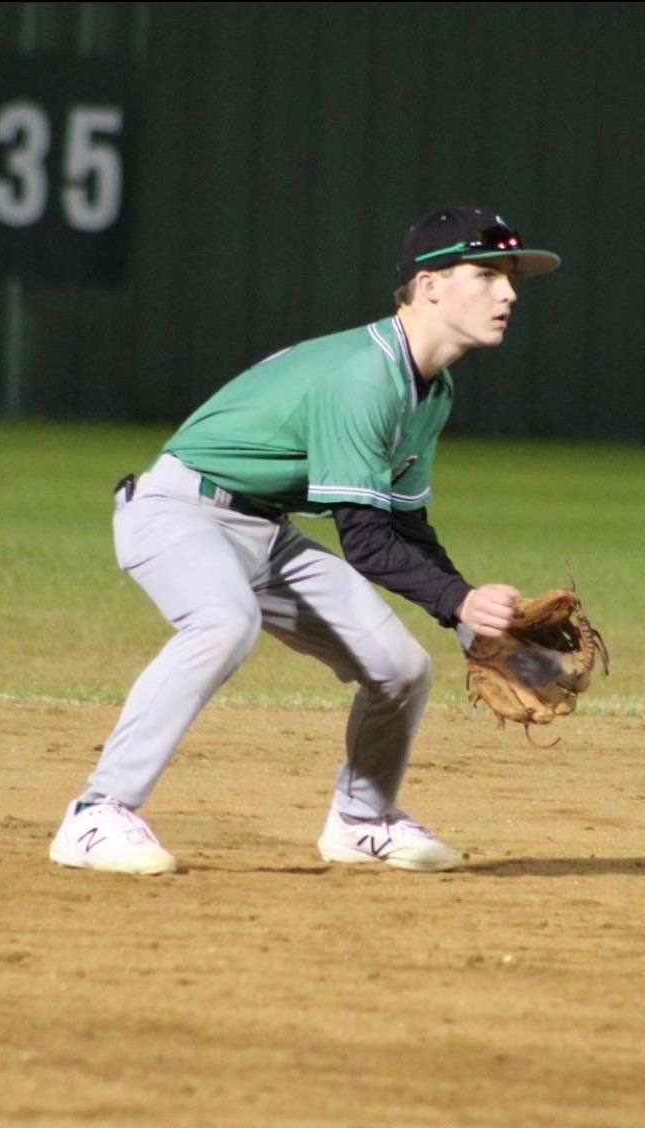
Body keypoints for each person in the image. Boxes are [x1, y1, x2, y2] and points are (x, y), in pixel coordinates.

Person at [49, 205, 561, 875]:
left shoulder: (431, 391)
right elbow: (366, 544)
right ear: (430, 285)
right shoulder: (365, 377)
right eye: (487, 275)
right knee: (223, 622)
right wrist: (459, 600)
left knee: (401, 668)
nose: (508, 293)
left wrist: (464, 618)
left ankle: (363, 821)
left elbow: (405, 525)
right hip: (177, 510)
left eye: (510, 278)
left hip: (265, 532)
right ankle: (96, 814)